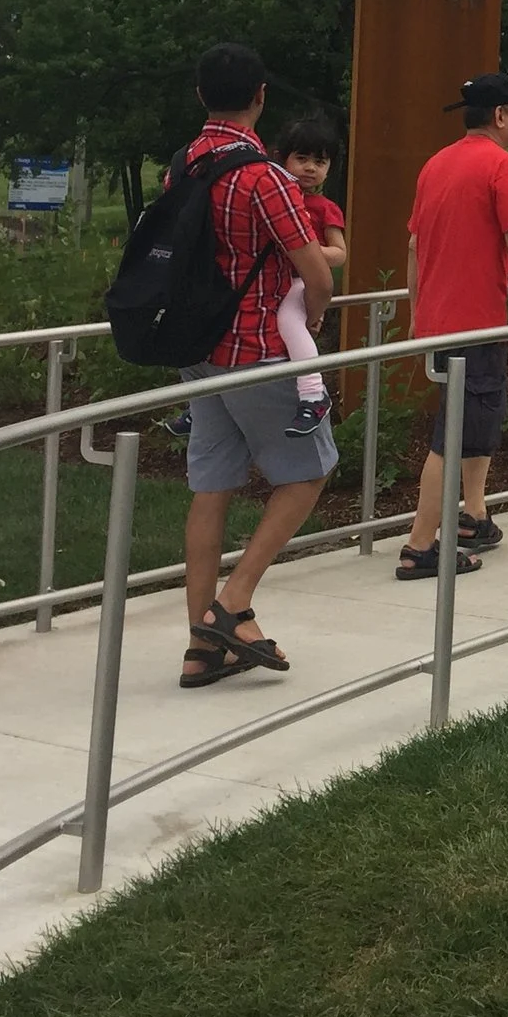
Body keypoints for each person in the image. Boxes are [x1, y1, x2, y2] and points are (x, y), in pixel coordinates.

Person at [172, 43, 342, 690]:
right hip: (257, 350)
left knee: (211, 486)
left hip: (197, 350)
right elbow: (314, 266)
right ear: (261, 95)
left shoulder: (183, 164)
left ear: (200, 95)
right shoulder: (263, 174)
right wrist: (318, 312)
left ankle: (201, 647)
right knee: (310, 469)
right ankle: (231, 603)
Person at [399, 74, 508, 580]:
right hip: (472, 326)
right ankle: (420, 546)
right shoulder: (504, 166)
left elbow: (413, 247)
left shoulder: (436, 164)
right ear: (501, 115)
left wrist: (416, 314)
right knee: (452, 435)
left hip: (439, 322)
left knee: (477, 419)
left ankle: (473, 516)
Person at [270, 115, 349, 430]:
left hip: (301, 282)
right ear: (283, 159)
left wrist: (306, 250)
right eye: (301, 158)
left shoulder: (324, 207)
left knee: (288, 321)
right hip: (272, 280)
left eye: (320, 161)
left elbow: (340, 253)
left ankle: (314, 393)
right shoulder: (274, 198)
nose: (310, 168)